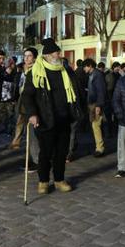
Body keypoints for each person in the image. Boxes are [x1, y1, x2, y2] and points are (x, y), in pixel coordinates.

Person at [21, 38, 80, 194]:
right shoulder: (36, 72)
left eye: (58, 52)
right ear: (47, 55)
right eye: (56, 52)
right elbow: (27, 96)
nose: (59, 54)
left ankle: (59, 179)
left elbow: (75, 90)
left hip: (64, 118)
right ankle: (44, 181)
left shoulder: (65, 70)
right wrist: (32, 114)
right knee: (45, 153)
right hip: (45, 119)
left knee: (62, 152)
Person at [11, 48, 39, 171]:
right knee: (27, 135)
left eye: (29, 56)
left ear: (35, 57)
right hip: (23, 106)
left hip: (33, 108)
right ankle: (30, 159)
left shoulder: (36, 71)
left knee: (33, 135)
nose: (26, 58)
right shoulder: (24, 71)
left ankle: (36, 160)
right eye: (25, 56)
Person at [83, 58, 107, 157]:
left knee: (96, 125)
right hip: (94, 103)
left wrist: (99, 105)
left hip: (96, 104)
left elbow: (101, 91)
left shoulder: (97, 75)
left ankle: (100, 148)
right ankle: (99, 146)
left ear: (90, 66)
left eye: (85, 66)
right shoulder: (93, 75)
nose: (84, 69)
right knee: (95, 125)